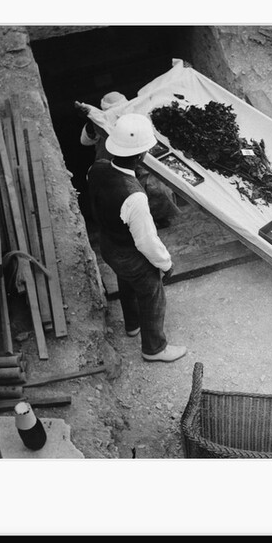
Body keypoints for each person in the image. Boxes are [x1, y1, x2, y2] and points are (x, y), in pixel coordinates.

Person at [87, 113, 187, 363]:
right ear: (142, 156)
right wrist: (166, 264)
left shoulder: (96, 169)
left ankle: (132, 325)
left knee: (126, 281)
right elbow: (146, 241)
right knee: (152, 290)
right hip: (130, 252)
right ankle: (154, 348)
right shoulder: (134, 196)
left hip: (108, 245)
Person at [76, 93, 179, 228]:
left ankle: (159, 218)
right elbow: (85, 141)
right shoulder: (101, 122)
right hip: (113, 165)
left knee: (155, 188)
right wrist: (92, 123)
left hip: (139, 161)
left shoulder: (135, 117)